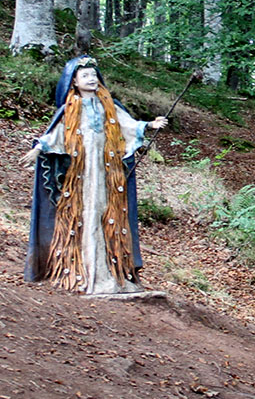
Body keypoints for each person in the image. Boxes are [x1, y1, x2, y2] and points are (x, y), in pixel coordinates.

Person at [22, 56, 167, 294]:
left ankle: (110, 274)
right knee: (84, 214)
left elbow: (127, 125)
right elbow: (56, 135)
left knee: (106, 214)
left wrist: (149, 125)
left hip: (107, 172)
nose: (91, 79)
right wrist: (39, 148)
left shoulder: (109, 105)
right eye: (85, 76)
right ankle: (85, 272)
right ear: (74, 82)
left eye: (94, 75)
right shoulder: (69, 109)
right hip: (80, 174)